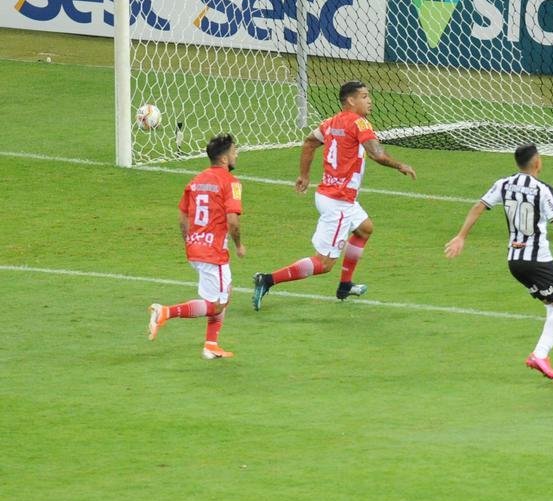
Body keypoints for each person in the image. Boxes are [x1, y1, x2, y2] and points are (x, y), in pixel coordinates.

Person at [251, 80, 416, 309]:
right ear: (351, 100)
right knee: (324, 263)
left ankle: (345, 285)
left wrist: (304, 175)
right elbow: (377, 154)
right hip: (339, 203)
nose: (370, 101)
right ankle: (267, 279)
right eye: (365, 96)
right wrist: (400, 166)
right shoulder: (360, 123)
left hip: (330, 195)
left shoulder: (330, 123)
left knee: (365, 228)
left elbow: (309, 142)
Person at [444, 143, 553, 381]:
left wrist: (461, 236)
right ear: (537, 162)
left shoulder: (503, 184)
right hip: (538, 259)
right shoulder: (542, 189)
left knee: (552, 306)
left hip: (515, 262)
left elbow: (478, 207)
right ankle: (540, 354)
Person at [147, 133, 244, 359]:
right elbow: (233, 222)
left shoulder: (195, 181)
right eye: (234, 151)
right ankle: (165, 312)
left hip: (196, 248)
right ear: (223, 158)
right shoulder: (232, 183)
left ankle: (211, 344)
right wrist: (239, 245)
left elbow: (183, 216)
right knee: (217, 305)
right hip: (214, 253)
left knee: (225, 293)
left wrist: (190, 241)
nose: (236, 154)